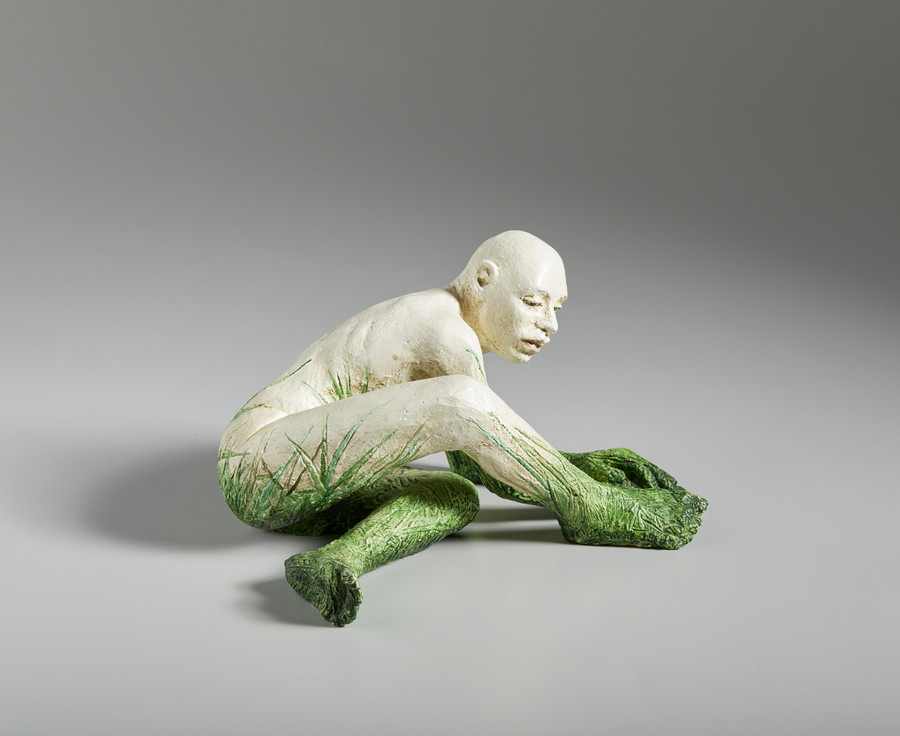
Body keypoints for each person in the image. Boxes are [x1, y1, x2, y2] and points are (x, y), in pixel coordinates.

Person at [218, 231, 707, 625]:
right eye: (533, 301)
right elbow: (491, 456)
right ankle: (592, 508)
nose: (550, 324)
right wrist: (587, 479)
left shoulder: (446, 320)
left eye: (556, 308)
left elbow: (473, 466)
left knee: (455, 495)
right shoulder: (445, 330)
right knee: (462, 399)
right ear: (483, 279)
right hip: (256, 460)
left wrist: (585, 462)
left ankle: (334, 562)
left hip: (299, 498)